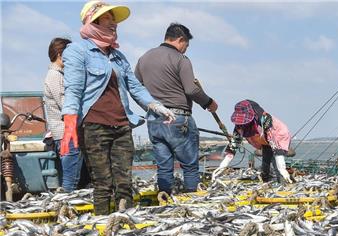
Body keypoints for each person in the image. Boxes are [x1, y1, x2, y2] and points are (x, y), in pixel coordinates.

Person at [61, 1, 175, 215]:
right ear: (93, 21)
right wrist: (69, 122)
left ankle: (125, 225)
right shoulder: (77, 51)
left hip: (122, 126)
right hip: (94, 127)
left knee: (124, 182)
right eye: (108, 19)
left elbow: (135, 87)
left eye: (114, 21)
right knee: (102, 183)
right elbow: (73, 89)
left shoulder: (118, 57)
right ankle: (103, 224)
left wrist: (156, 106)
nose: (114, 25)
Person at [135, 23, 217, 194]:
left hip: (154, 120)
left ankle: (164, 199)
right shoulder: (181, 59)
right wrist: (209, 103)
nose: (185, 50)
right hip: (179, 118)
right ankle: (191, 199)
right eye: (186, 45)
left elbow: (136, 88)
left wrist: (150, 108)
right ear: (181, 40)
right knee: (189, 165)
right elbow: (191, 89)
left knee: (164, 166)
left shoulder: (144, 58)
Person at [44, 37, 83, 192]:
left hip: (66, 133)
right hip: (66, 134)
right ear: (61, 54)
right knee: (70, 181)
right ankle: (65, 207)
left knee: (73, 178)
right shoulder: (55, 76)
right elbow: (66, 104)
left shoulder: (58, 74)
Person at [230, 100, 293, 183]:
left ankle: (282, 181)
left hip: (277, 140)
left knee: (276, 163)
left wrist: (282, 169)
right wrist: (222, 165)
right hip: (265, 143)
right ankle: (266, 180)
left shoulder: (265, 119)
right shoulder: (246, 124)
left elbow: (275, 142)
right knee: (265, 164)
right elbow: (234, 142)